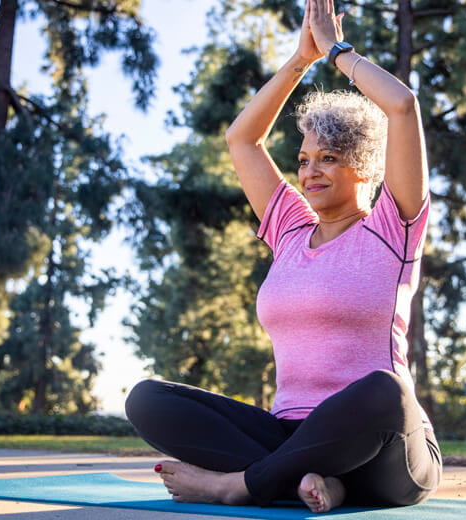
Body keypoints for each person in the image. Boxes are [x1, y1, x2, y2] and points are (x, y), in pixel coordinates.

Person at [124, 0, 441, 513]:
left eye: (329, 158)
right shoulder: (290, 229)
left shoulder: (392, 228)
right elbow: (242, 139)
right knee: (147, 399)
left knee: (384, 391)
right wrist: (299, 60)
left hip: (387, 451)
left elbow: (402, 105)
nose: (310, 171)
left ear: (362, 165)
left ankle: (241, 485)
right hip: (292, 438)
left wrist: (336, 53)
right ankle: (308, 483)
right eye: (304, 160)